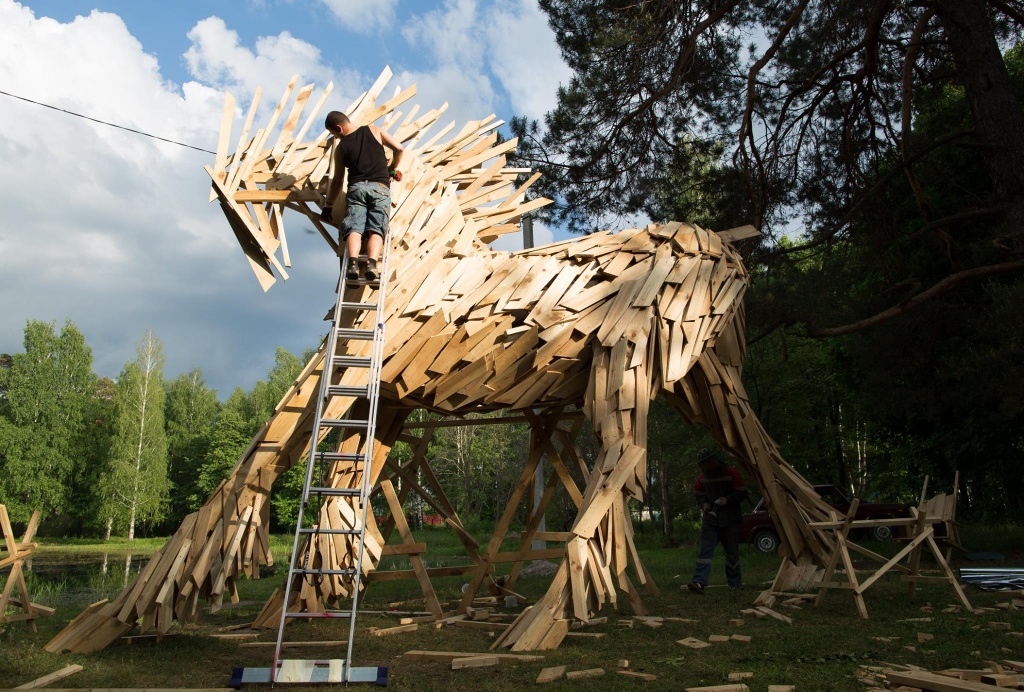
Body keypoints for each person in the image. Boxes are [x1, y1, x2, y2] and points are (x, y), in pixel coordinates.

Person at [321, 111, 404, 282]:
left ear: (339, 128)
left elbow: (337, 180)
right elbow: (399, 148)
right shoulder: (374, 130)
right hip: (379, 188)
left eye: (334, 134)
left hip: (356, 189)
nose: (336, 137)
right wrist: (392, 168)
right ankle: (371, 264)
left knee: (354, 228)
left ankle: (352, 263)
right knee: (376, 229)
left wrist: (328, 205)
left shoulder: (342, 148)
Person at [688, 447, 747, 594]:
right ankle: (699, 582)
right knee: (705, 552)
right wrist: (704, 504)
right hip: (711, 520)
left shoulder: (730, 472)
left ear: (715, 460)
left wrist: (728, 499)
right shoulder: (702, 477)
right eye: (705, 464)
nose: (708, 466)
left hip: (730, 519)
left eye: (709, 462)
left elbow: (742, 492)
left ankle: (735, 583)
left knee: (732, 553)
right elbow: (698, 494)